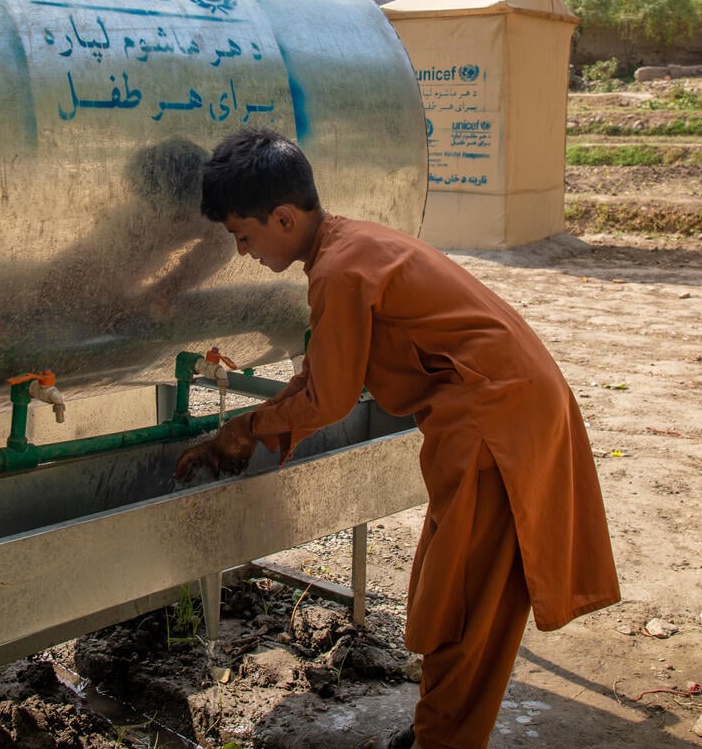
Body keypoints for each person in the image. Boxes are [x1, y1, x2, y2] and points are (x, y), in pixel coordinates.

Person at [175, 128, 620, 749]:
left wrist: (244, 428)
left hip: (493, 418)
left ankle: (442, 741)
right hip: (499, 404)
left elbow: (328, 399)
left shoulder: (339, 268)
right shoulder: (350, 244)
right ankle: (437, 732)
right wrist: (249, 429)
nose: (244, 253)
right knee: (450, 590)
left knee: (464, 601)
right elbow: (323, 373)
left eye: (243, 237)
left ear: (282, 217)